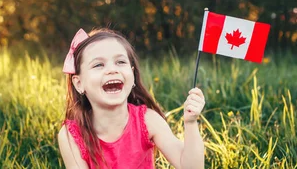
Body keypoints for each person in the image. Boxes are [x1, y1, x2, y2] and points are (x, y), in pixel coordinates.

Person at [57, 28, 205, 169]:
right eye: (98, 65)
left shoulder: (148, 121)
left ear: (132, 74)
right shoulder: (71, 135)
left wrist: (190, 123)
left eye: (120, 62)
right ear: (79, 83)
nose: (112, 70)